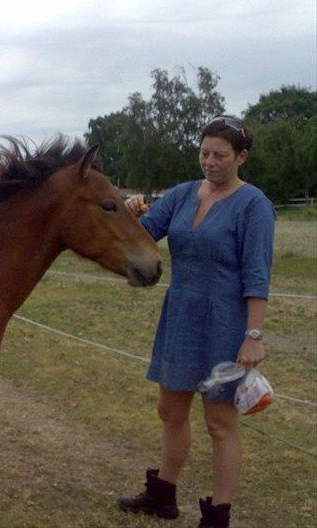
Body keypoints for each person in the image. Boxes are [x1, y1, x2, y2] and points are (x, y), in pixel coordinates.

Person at [117, 115, 276, 528]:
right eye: (205, 153)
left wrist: (253, 336)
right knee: (170, 410)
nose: (210, 162)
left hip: (226, 325)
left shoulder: (254, 205)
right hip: (180, 319)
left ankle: (218, 514)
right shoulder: (184, 194)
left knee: (219, 423)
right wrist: (127, 211)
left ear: (241, 157)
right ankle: (162, 496)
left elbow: (257, 274)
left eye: (220, 156)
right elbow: (146, 232)